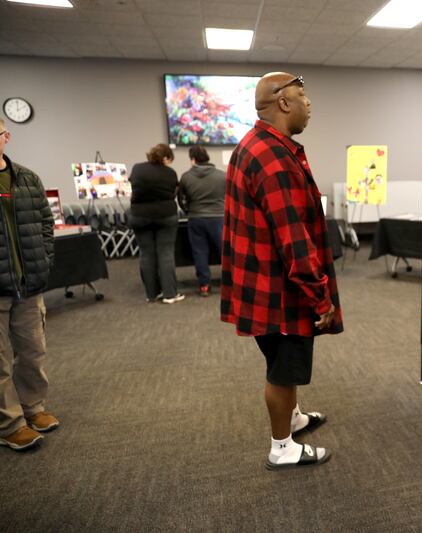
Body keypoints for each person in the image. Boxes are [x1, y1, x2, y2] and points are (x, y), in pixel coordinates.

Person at [221, 72, 343, 470]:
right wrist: (319, 296)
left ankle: (292, 418)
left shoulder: (253, 146)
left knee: (278, 360)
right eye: (303, 96)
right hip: (282, 290)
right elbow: (294, 237)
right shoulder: (275, 159)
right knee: (283, 369)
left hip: (260, 284)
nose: (310, 104)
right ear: (283, 103)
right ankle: (282, 447)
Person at [0, 119, 57, 451]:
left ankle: (33, 408)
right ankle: (9, 423)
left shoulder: (27, 178)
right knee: (0, 361)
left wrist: (44, 261)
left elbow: (45, 223)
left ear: (6, 136)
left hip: (29, 285)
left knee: (33, 352)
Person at [128, 143, 184, 304]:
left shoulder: (137, 168)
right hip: (165, 215)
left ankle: (152, 294)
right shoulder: (170, 173)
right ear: (166, 158)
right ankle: (170, 294)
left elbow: (133, 185)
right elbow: (174, 192)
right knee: (165, 254)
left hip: (139, 216)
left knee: (146, 254)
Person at [178, 145, 225, 296]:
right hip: (219, 218)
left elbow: (181, 199)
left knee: (200, 253)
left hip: (196, 218)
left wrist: (188, 211)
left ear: (193, 160)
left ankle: (204, 285)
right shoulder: (222, 176)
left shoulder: (186, 177)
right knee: (224, 252)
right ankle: (231, 283)